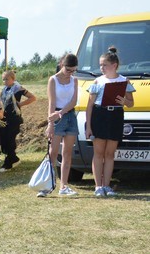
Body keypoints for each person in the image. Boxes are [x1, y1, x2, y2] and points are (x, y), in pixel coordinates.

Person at [85, 47, 135, 197]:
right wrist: (88, 126)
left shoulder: (124, 81)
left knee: (110, 154)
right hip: (99, 116)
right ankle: (98, 187)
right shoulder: (97, 81)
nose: (101, 68)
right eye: (100, 65)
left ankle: (107, 186)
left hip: (116, 116)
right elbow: (89, 106)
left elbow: (131, 103)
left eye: (104, 65)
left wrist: (124, 101)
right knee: (98, 153)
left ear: (114, 65)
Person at [41, 54, 80, 197]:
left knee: (67, 153)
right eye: (68, 70)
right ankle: (46, 186)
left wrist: (61, 113)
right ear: (62, 65)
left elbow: (74, 101)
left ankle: (64, 186)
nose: (70, 73)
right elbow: (51, 103)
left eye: (73, 70)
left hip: (70, 115)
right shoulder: (53, 80)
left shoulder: (74, 80)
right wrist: (50, 124)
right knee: (53, 153)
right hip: (56, 117)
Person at [0, 69, 36, 172]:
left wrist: (21, 104)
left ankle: (8, 163)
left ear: (13, 79)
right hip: (4, 118)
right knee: (3, 139)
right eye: (3, 79)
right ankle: (14, 159)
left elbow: (32, 97)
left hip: (14, 118)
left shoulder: (18, 88)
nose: (5, 81)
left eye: (7, 79)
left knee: (10, 140)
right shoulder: (4, 90)